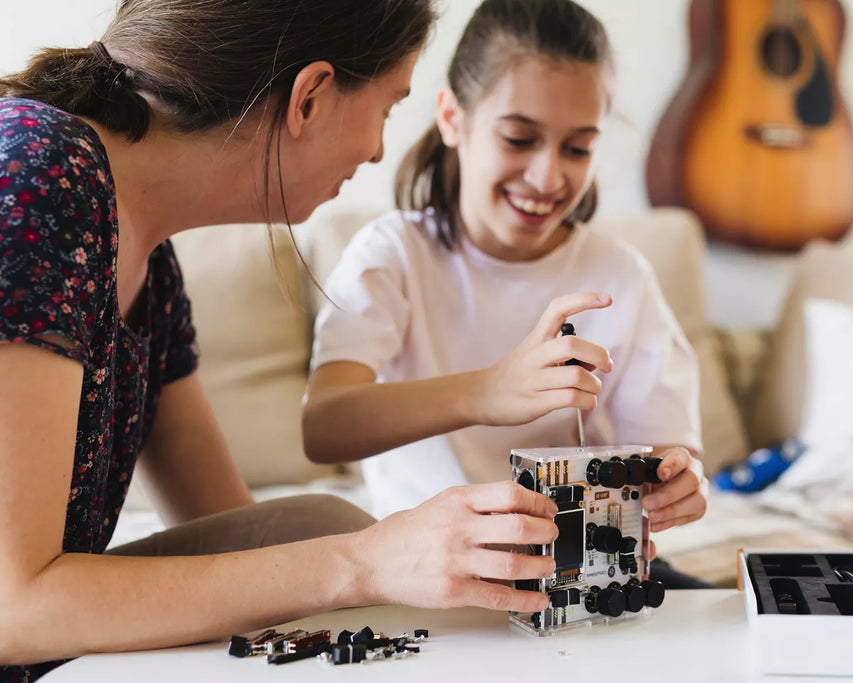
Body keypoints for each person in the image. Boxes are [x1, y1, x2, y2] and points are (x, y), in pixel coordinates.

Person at [0, 1, 566, 680]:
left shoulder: (148, 260)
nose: (380, 149)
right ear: (311, 97)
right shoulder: (38, 171)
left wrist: (438, 549)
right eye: (387, 107)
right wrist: (368, 561)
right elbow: (12, 606)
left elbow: (241, 543)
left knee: (317, 524)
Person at [303, 0, 710, 570]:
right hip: (432, 574)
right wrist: (489, 391)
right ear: (453, 118)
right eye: (519, 138)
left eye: (577, 148)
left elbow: (668, 450)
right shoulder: (391, 256)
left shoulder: (622, 276)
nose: (548, 176)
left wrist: (680, 480)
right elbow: (323, 427)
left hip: (579, 571)